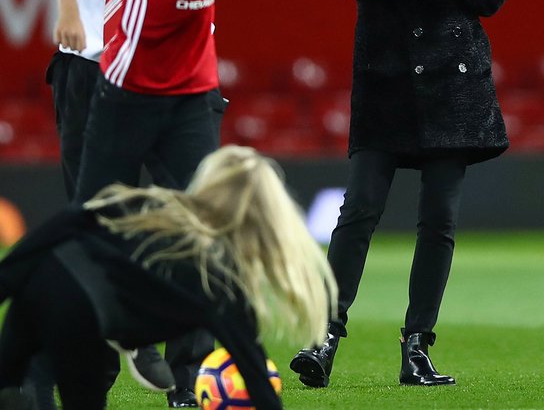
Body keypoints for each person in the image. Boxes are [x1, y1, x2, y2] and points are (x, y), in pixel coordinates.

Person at [29, 0, 331, 409]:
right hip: (93, 73)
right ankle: (92, 371)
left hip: (179, 80)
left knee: (202, 223)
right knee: (94, 225)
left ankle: (192, 375)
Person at [290, 0, 509, 389]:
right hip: (386, 81)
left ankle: (417, 349)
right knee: (358, 209)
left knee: (438, 219)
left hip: (450, 81)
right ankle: (324, 338)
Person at [0, 145, 338, 410]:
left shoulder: (153, 205)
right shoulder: (220, 281)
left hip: (40, 280)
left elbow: (70, 222)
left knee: (15, 383)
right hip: (79, 313)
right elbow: (254, 374)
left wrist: (7, 280)